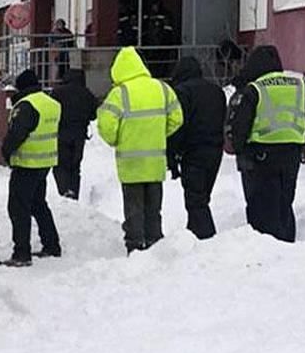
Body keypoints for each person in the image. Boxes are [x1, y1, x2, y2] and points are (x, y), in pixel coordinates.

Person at [227, 45, 305, 243]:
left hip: (261, 157)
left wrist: (239, 148)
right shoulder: (299, 84)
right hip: (292, 155)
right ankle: (287, 245)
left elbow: (240, 128)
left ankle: (266, 250)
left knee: (261, 206)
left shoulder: (255, 89)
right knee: (284, 203)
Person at [96, 47, 183, 253]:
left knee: (134, 207)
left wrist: (117, 140)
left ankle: (135, 245)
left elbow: (106, 126)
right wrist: (159, 135)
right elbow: (177, 118)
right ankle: (155, 242)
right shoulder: (162, 88)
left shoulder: (119, 93)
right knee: (154, 207)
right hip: (155, 163)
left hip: (131, 164)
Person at [0, 69, 63, 267]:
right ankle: (52, 244)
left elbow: (17, 134)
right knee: (38, 204)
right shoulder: (51, 104)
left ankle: (21, 253)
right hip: (45, 163)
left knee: (18, 208)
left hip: (26, 164)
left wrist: (6, 152)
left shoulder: (26, 105)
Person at [167, 57, 225, 240]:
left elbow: (177, 126)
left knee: (195, 201)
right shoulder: (217, 91)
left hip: (193, 153)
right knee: (202, 197)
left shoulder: (183, 92)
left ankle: (206, 239)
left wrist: (172, 156)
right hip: (215, 151)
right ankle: (193, 235)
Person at [49, 68, 99, 199]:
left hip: (61, 135)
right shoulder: (87, 94)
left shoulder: (57, 93)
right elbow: (94, 114)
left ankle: (64, 191)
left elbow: (51, 111)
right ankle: (73, 192)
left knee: (60, 165)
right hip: (79, 137)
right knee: (75, 167)